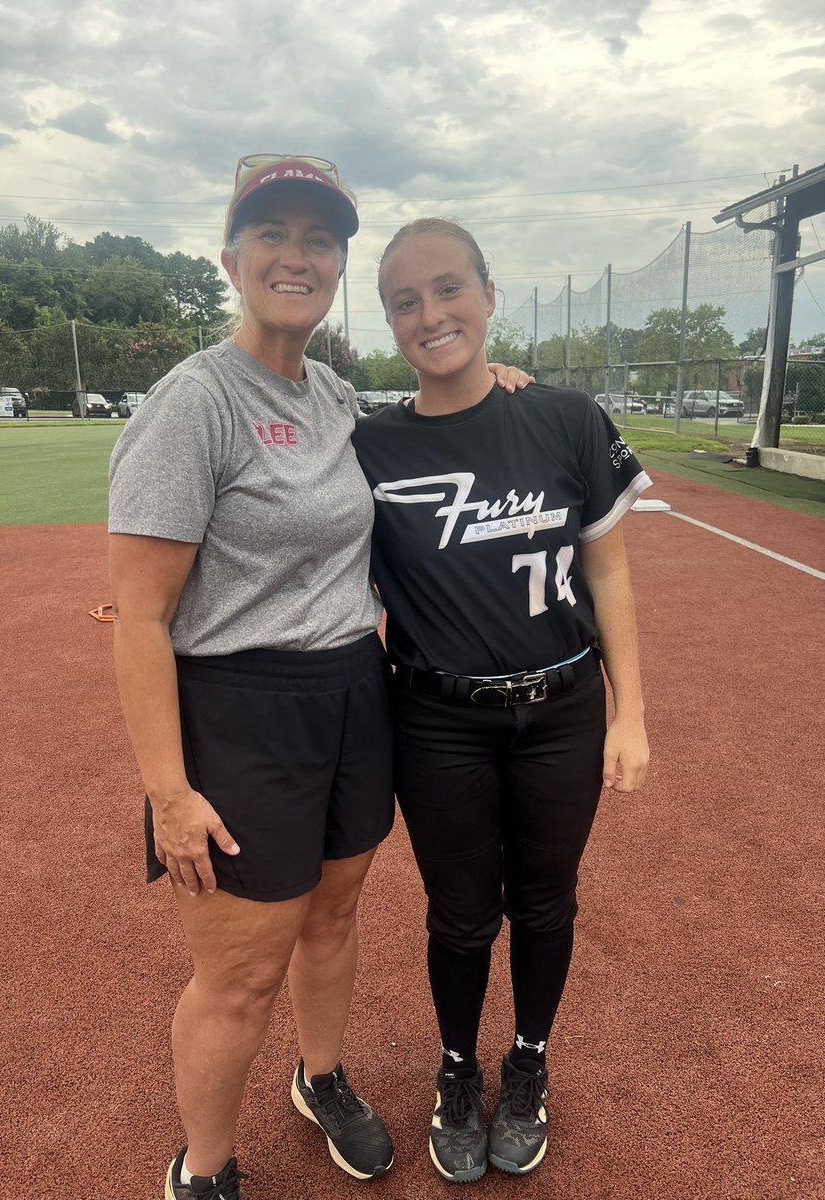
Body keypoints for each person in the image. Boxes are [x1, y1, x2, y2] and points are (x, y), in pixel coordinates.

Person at [108, 159, 529, 1200]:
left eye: (320, 239)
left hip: (355, 691)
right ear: (231, 257)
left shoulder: (334, 392)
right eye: (272, 234)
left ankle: (321, 1075)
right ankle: (203, 1170)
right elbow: (143, 618)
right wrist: (168, 792)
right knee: (240, 972)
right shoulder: (195, 402)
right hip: (242, 713)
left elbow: (428, 418)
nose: (297, 256)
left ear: (337, 264)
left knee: (336, 915)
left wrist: (498, 386)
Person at [351, 218, 651, 1184]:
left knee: (547, 902)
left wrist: (631, 711)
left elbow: (609, 575)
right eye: (406, 301)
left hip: (561, 707)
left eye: (449, 290)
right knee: (459, 912)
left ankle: (527, 1061)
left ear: (488, 295)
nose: (430, 314)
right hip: (437, 719)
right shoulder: (372, 448)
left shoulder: (564, 417)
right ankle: (454, 1068)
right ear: (390, 320)